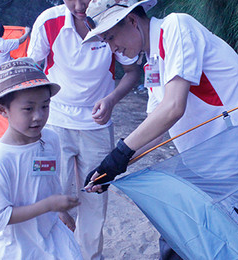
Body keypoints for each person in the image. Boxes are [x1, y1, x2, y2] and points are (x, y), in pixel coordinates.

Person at [82, 0, 238, 259]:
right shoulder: (152, 61)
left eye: (111, 37)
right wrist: (109, 167)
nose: (113, 47)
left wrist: (119, 155)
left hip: (237, 159)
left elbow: (173, 107)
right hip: (202, 161)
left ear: (133, 21)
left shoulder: (177, 26)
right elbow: (154, 128)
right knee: (176, 236)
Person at [27, 0, 141, 259]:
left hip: (97, 127)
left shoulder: (110, 22)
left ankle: (89, 256)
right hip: (55, 124)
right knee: (51, 193)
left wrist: (111, 100)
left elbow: (132, 72)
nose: (79, 5)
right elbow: (32, 69)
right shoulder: (49, 22)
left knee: (94, 198)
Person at [0, 57, 82, 259]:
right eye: (28, 109)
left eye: (45, 106)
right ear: (3, 110)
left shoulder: (51, 139)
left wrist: (60, 211)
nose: (38, 116)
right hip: (19, 246)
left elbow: (50, 183)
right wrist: (48, 206)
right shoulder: (1, 158)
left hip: (52, 234)